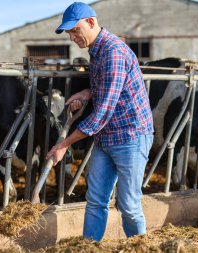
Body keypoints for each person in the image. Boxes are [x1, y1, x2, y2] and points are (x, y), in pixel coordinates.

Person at [46, 2, 154, 241]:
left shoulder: (113, 52)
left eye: (75, 30)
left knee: (129, 205)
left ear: (91, 22)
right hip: (106, 136)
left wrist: (63, 145)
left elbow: (101, 115)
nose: (72, 38)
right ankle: (89, 246)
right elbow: (111, 87)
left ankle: (140, 247)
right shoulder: (97, 50)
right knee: (95, 201)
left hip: (130, 136)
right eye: (69, 33)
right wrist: (88, 93)